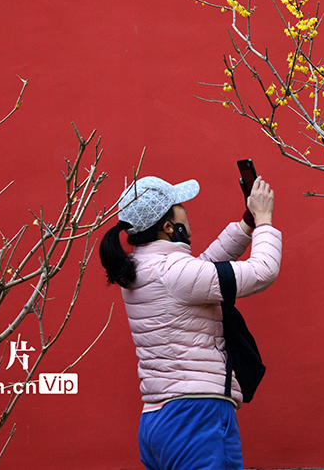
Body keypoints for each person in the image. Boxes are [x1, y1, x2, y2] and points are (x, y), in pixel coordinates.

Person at [99, 174, 281, 470]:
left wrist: (246, 225)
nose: (186, 208)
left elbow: (201, 272)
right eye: (180, 205)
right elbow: (263, 271)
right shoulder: (174, 273)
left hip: (157, 422)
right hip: (197, 418)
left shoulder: (141, 268)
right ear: (169, 226)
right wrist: (265, 221)